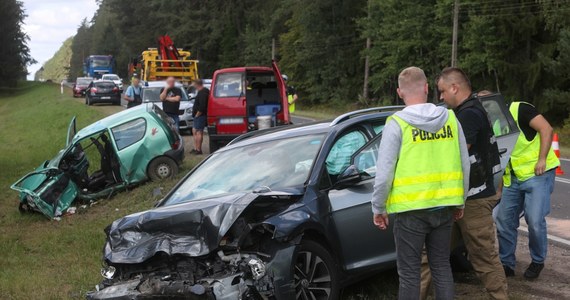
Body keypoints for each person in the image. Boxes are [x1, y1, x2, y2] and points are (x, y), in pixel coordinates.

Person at [372, 66, 470, 300]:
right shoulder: (450, 118)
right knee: (441, 267)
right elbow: (465, 163)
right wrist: (461, 201)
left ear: (399, 92)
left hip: (410, 212)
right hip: (444, 207)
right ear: (427, 88)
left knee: (409, 274)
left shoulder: (397, 123)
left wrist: (378, 207)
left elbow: (384, 171)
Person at [433, 67, 508, 299]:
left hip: (473, 200)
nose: (441, 97)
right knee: (433, 254)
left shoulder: (468, 114)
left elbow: (458, 156)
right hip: (462, 198)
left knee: (483, 256)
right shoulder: (475, 107)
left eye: (443, 91)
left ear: (455, 87)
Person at [495, 101, 560, 279]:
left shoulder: (520, 109)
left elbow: (546, 129)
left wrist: (542, 159)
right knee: (504, 220)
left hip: (537, 174)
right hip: (513, 179)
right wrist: (499, 188)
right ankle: (506, 263)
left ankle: (537, 261)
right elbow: (502, 157)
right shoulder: (495, 124)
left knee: (534, 220)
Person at [190, 79, 209, 155]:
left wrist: (197, 114)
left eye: (193, 84)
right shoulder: (201, 92)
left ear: (197, 84)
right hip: (198, 115)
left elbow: (202, 106)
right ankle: (196, 148)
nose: (193, 85)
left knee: (198, 132)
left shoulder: (203, 93)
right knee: (194, 131)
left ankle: (198, 150)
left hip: (200, 115)